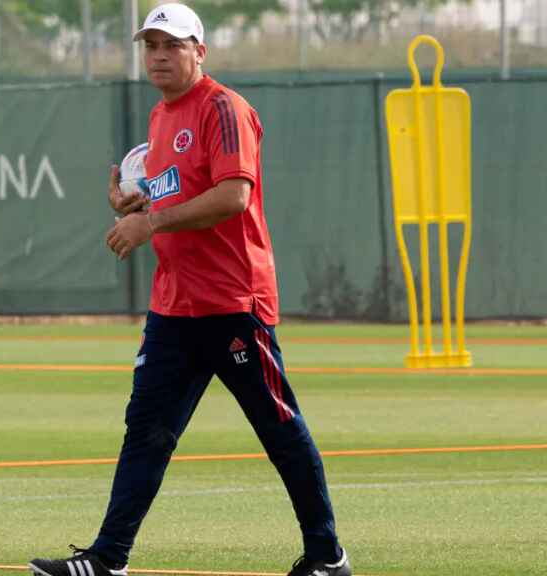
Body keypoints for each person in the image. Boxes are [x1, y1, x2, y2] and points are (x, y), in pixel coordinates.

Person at [28, 4, 351, 576]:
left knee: (280, 430)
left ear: (199, 51)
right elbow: (176, 196)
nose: (158, 54)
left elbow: (233, 197)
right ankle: (107, 559)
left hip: (233, 303)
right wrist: (137, 204)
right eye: (150, 44)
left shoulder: (225, 108)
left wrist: (149, 223)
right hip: (174, 306)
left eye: (172, 45)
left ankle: (327, 557)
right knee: (146, 432)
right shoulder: (160, 118)